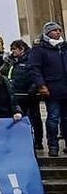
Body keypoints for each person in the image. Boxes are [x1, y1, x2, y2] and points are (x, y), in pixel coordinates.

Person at [29, 21, 67, 156]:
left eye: (59, 30)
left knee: (66, 118)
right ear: (48, 32)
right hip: (52, 89)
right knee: (53, 118)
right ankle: (53, 145)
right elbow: (34, 69)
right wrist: (41, 85)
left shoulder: (63, 47)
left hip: (65, 88)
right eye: (55, 30)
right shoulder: (39, 49)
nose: (58, 32)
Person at [5, 39, 43, 150]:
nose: (12, 51)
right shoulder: (12, 61)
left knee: (35, 118)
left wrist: (34, 87)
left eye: (14, 49)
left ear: (21, 49)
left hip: (30, 94)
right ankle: (23, 140)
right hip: (16, 94)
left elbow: (36, 74)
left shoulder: (31, 59)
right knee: (19, 119)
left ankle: (38, 141)